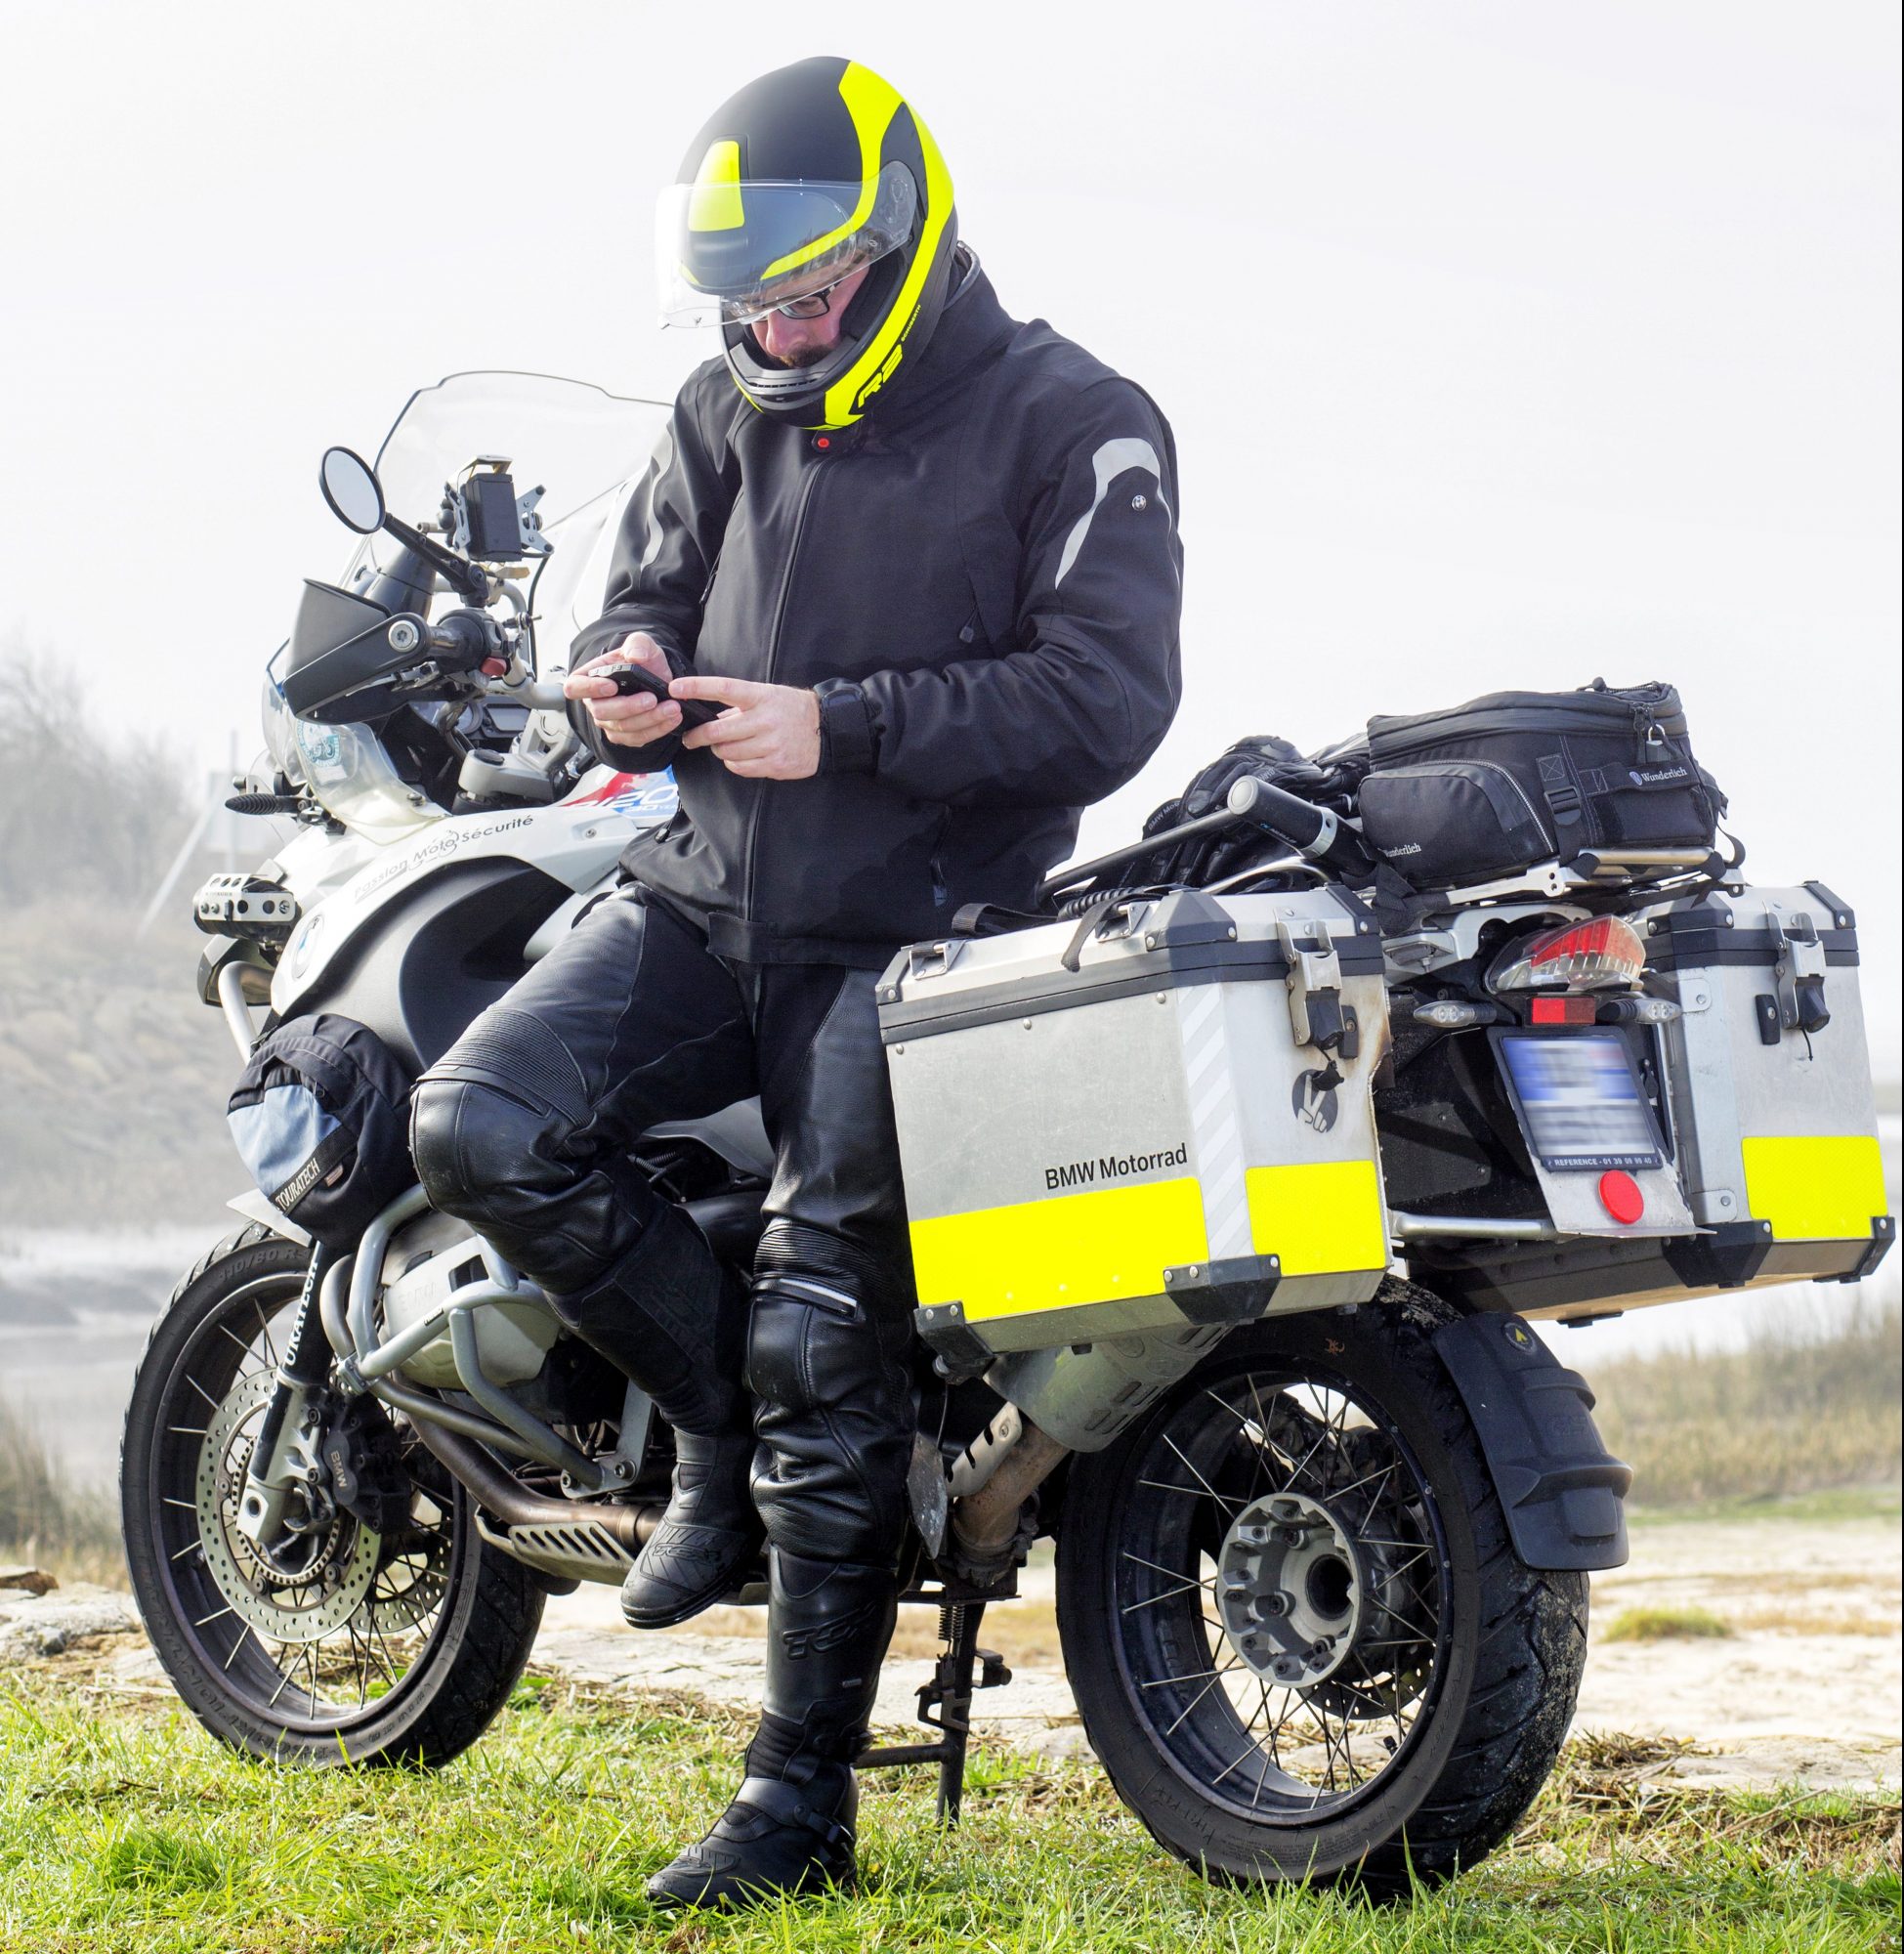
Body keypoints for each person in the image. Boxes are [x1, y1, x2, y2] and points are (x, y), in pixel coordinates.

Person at [407, 53, 1183, 1908]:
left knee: (824, 1319)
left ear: (898, 236)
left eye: (803, 290)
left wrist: (836, 725)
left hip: (917, 933)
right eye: (744, 297)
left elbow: (1109, 699)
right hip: (692, 891)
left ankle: (795, 1804)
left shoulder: (1076, 418)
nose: (768, 324)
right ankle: (714, 1434)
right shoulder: (720, 400)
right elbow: (643, 595)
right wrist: (627, 670)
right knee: (480, 1120)